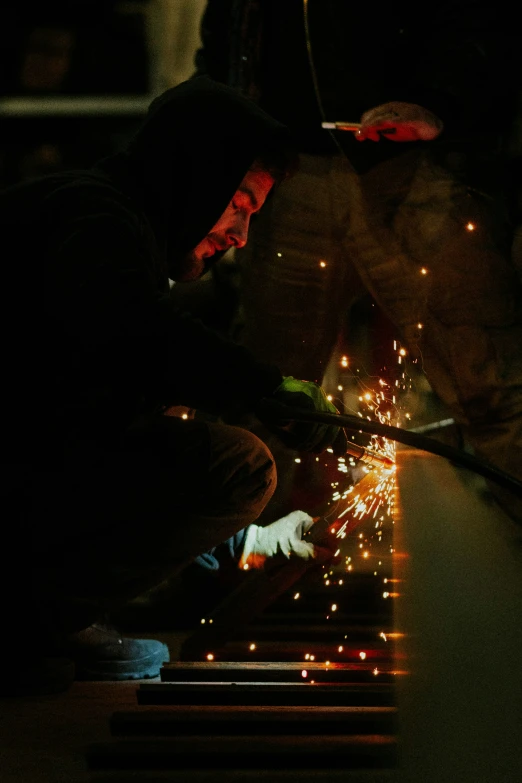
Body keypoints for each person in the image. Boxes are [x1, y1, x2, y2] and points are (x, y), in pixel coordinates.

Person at [0, 76, 347, 694]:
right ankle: (31, 619)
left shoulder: (106, 222)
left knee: (184, 416)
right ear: (197, 173)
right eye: (239, 203)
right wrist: (264, 386)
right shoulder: (96, 218)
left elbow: (104, 421)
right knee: (240, 466)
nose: (240, 236)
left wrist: (252, 539)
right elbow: (138, 336)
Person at [191, 0, 522, 525]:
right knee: (264, 397)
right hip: (288, 167)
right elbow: (230, 28)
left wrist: (437, 99)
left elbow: (485, 21)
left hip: (416, 167)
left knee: (491, 390)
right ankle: (225, 563)